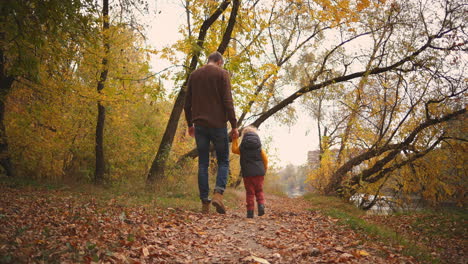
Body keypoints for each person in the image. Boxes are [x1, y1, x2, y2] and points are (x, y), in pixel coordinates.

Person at [184, 51, 239, 214]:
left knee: (203, 163)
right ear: (219, 62)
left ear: (208, 60)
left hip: (199, 125)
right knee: (223, 161)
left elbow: (187, 104)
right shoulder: (222, 74)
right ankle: (218, 194)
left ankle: (204, 203)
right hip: (218, 125)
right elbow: (228, 101)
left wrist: (190, 124)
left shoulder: (194, 75)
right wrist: (234, 125)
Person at [231, 126, 268, 218]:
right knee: (259, 190)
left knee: (250, 193)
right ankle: (261, 206)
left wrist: (235, 139)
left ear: (244, 137)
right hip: (259, 173)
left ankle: (250, 212)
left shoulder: (242, 148)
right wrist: (264, 170)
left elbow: (234, 150)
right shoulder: (259, 148)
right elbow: (265, 160)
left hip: (247, 174)